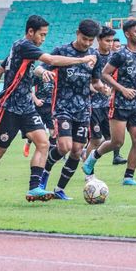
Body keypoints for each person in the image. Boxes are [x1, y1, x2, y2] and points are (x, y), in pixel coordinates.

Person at [0, 15, 97, 206]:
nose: (43, 39)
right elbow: (49, 59)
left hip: (27, 108)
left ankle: (34, 187)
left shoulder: (23, 51)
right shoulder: (23, 46)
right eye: (42, 34)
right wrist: (81, 60)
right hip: (9, 108)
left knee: (44, 143)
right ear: (30, 32)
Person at [37, 19, 103, 199]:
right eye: (84, 39)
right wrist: (45, 73)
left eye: (91, 40)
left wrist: (103, 87)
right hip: (62, 107)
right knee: (64, 146)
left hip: (83, 110)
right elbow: (38, 69)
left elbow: (95, 81)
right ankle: (45, 173)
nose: (87, 43)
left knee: (76, 150)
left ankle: (60, 189)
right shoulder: (61, 51)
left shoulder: (94, 55)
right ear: (77, 33)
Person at [82, 19, 136, 185]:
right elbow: (105, 75)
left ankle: (129, 177)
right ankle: (92, 157)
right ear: (127, 34)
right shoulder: (119, 55)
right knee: (117, 142)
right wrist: (122, 89)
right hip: (119, 102)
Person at [85, 26, 118, 164]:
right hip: (93, 105)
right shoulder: (92, 56)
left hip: (108, 104)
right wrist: (97, 89)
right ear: (99, 40)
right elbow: (84, 79)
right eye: (107, 41)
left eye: (111, 41)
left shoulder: (114, 57)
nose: (110, 44)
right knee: (96, 139)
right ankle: (88, 169)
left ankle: (85, 156)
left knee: (113, 140)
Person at [22, 67, 55, 158]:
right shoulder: (40, 74)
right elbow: (28, 87)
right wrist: (36, 100)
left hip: (51, 107)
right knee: (35, 131)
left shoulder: (57, 73)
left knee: (53, 132)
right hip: (39, 106)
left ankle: (50, 154)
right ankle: (28, 144)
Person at [109, 38, 128, 165]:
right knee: (98, 137)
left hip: (115, 100)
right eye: (116, 46)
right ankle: (87, 153)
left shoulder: (121, 60)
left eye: (120, 46)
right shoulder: (107, 60)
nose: (118, 48)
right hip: (98, 102)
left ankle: (116, 156)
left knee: (115, 137)